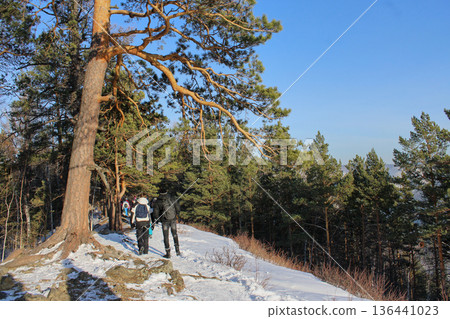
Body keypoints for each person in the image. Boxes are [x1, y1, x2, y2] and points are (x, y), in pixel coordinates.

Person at [153, 187, 181, 258]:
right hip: (173, 218)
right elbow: (177, 207)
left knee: (166, 236)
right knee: (174, 234)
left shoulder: (158, 201)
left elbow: (155, 213)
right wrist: (177, 214)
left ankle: (168, 253)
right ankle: (177, 250)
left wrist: (158, 219)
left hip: (164, 220)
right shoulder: (172, 198)